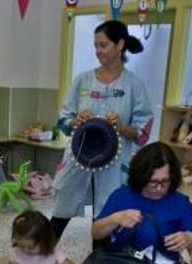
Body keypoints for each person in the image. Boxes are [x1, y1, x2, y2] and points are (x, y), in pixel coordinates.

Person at [50, 20, 154, 241]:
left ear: (120, 45)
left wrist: (121, 127)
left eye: (103, 45)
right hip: (78, 158)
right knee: (60, 214)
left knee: (107, 218)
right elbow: (62, 120)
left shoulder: (134, 85)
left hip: (114, 164)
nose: (98, 51)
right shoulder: (83, 81)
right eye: (95, 45)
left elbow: (142, 132)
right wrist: (75, 121)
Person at [91, 142, 192, 262]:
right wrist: (116, 219)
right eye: (153, 182)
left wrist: (190, 238)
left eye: (165, 181)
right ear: (141, 176)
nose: (159, 188)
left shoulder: (181, 203)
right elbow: (95, 233)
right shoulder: (122, 195)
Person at [3, 210, 102, 264]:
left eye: (31, 247)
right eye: (21, 245)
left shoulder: (53, 253)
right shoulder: (16, 252)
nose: (25, 250)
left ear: (45, 241)